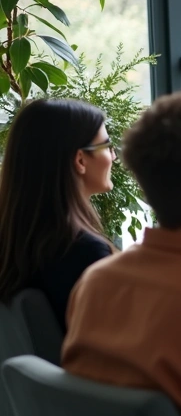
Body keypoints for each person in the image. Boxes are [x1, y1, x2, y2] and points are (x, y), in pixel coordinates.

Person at [0, 99, 116, 330]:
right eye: (107, 146)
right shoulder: (85, 253)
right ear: (80, 160)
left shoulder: (14, 246)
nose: (113, 156)